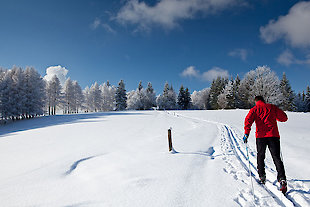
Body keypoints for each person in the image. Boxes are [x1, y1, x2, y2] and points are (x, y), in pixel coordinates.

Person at [243, 96, 288, 193]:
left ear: (256, 102)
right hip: (273, 136)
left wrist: (246, 133)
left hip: (261, 137)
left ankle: (262, 176)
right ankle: (282, 179)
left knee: (260, 155)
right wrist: (275, 116)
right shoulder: (272, 107)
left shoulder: (254, 109)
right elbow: (284, 118)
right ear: (264, 100)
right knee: (276, 157)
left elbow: (248, 121)